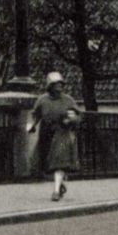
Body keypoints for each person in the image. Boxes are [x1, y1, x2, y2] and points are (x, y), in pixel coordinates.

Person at [29, 70, 82, 201]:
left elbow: (78, 115)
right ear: (49, 86)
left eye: (60, 84)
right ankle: (60, 184)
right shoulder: (42, 100)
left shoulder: (68, 100)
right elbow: (36, 115)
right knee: (47, 164)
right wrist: (32, 125)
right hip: (46, 132)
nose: (59, 87)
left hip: (62, 132)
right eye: (55, 84)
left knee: (59, 161)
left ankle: (56, 191)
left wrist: (71, 119)